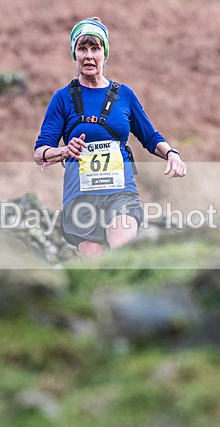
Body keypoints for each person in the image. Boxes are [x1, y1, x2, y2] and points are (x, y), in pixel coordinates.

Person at [33, 17, 187, 258]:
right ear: (74, 54)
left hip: (120, 191)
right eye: (82, 49)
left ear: (105, 53)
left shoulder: (124, 95)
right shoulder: (62, 98)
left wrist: (172, 154)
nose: (88, 56)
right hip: (80, 196)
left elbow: (150, 136)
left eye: (95, 49)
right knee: (97, 266)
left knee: (122, 252)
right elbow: (40, 151)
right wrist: (62, 151)